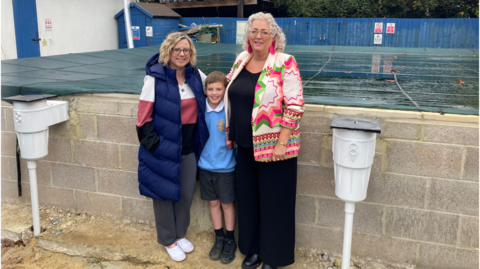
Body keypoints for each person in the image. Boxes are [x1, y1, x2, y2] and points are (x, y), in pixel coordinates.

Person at [223, 12, 305, 269]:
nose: (258, 36)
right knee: (249, 201)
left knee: (275, 204)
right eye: (254, 31)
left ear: (273, 36)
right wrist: (229, 132)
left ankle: (273, 256)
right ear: (248, 35)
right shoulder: (240, 60)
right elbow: (229, 93)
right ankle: (254, 249)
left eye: (264, 32)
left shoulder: (285, 62)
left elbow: (295, 104)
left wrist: (282, 142)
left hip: (274, 149)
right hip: (245, 145)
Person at [135, 32, 209, 262]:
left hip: (188, 147)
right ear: (168, 51)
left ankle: (180, 234)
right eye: (177, 49)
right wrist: (154, 146)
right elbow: (142, 118)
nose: (182, 54)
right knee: (164, 195)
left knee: (186, 193)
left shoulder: (196, 76)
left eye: (186, 50)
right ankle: (168, 239)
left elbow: (221, 85)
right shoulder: (154, 79)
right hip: (163, 148)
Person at [197, 71, 237, 264]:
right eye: (210, 89)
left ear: (225, 90)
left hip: (226, 167)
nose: (214, 93)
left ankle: (230, 239)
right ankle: (219, 236)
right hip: (205, 167)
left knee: (227, 204)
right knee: (213, 203)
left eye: (218, 89)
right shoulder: (200, 110)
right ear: (205, 90)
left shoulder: (229, 111)